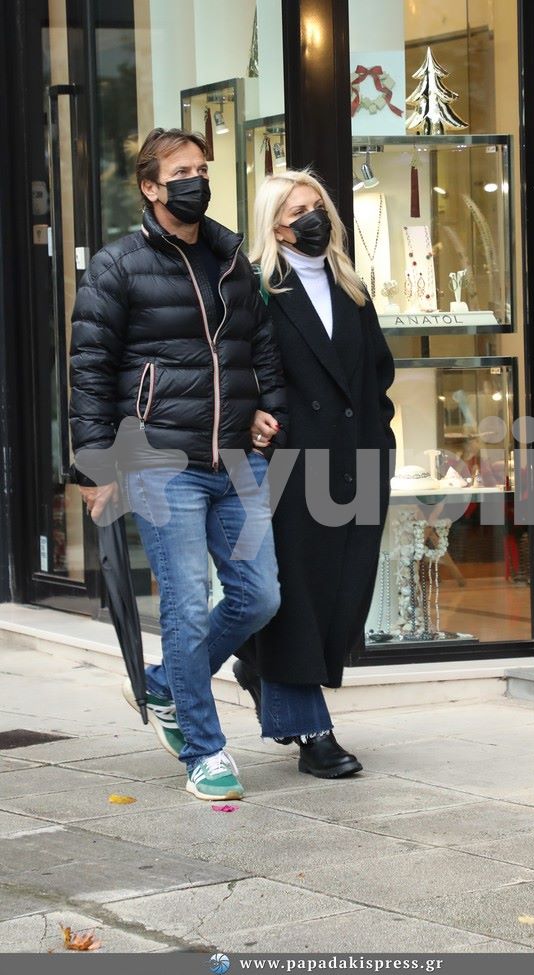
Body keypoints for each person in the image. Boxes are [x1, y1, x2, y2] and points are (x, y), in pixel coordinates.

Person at [69, 128, 288, 801]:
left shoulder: (231, 259)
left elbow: (259, 344)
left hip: (236, 459)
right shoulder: (117, 266)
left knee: (259, 595)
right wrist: (95, 465)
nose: (196, 181)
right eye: (181, 172)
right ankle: (204, 749)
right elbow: (89, 370)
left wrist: (268, 407)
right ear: (150, 187)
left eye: (202, 170)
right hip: (161, 462)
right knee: (188, 607)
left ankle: (165, 684)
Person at [233, 169, 395, 778]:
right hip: (289, 464)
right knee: (296, 597)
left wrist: (382, 443)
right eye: (298, 210)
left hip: (357, 462)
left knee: (344, 595)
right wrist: (251, 421)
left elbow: (377, 374)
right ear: (275, 225)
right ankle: (311, 731)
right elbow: (233, 368)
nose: (312, 219)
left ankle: (256, 663)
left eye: (317, 206)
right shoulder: (255, 287)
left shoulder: (351, 287)